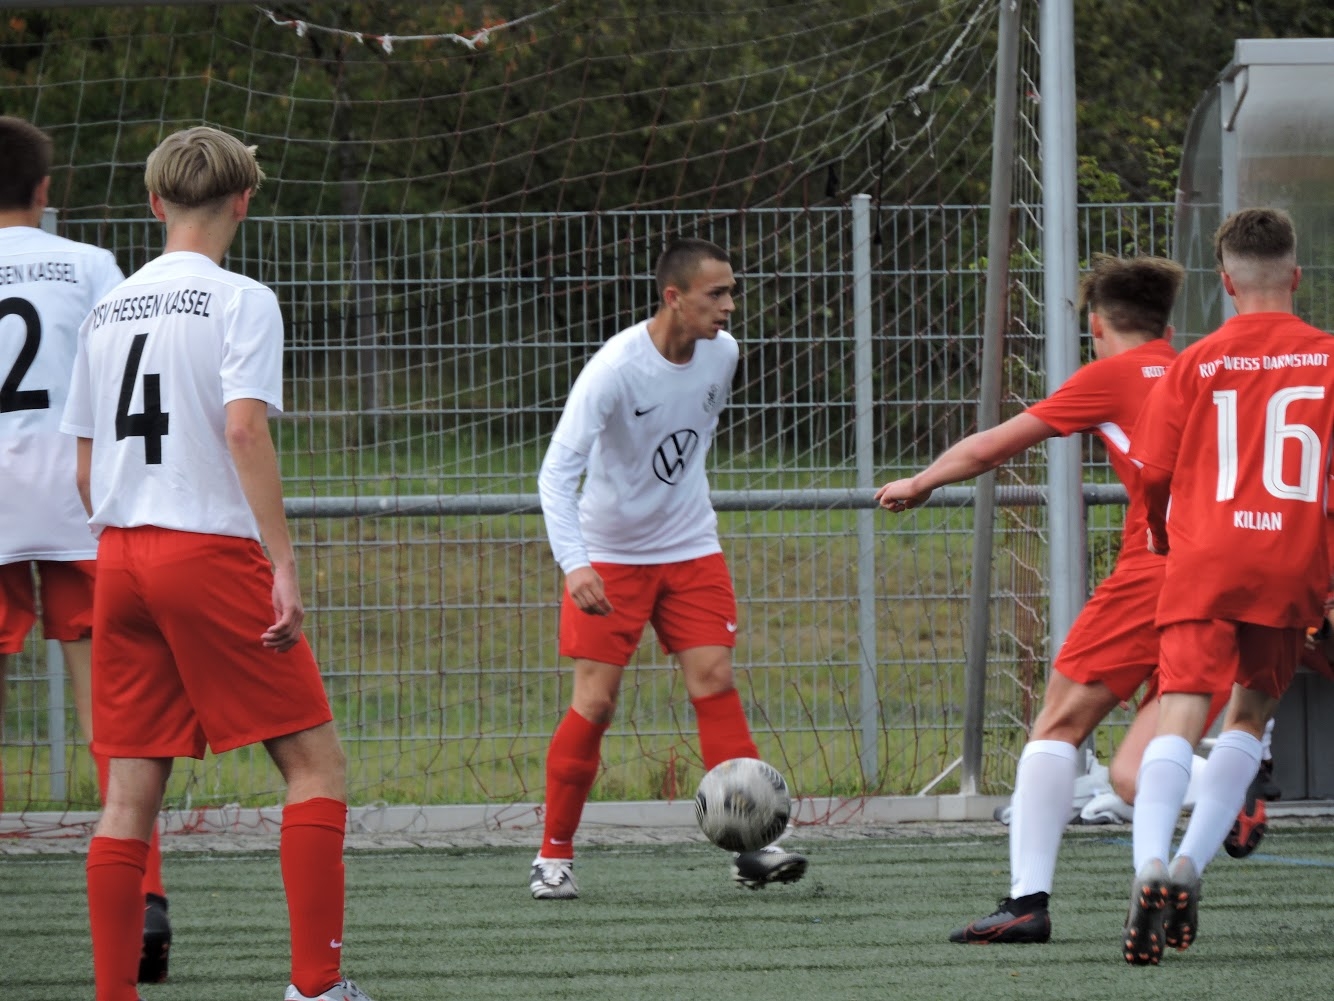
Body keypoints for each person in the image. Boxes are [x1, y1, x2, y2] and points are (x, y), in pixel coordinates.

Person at [58, 126, 376, 1001]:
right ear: (244, 200)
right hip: (208, 553)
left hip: (118, 557)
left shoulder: (105, 308)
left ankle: (113, 995)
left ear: (155, 204)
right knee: (315, 767)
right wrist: (282, 560)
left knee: (128, 795)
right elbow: (243, 429)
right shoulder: (242, 299)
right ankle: (317, 987)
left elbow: (84, 468)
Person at [877, 254, 1229, 943]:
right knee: (1135, 768)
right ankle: (1231, 790)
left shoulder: (1109, 375)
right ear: (1167, 322)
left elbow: (991, 447)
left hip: (1156, 567)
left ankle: (1026, 901)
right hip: (1227, 572)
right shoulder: (1200, 370)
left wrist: (922, 481)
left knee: (1059, 723)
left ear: (1095, 324)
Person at [530, 237, 808, 899]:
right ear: (673, 297)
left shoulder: (725, 354)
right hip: (610, 559)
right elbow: (554, 475)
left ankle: (751, 845)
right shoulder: (615, 369)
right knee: (595, 702)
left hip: (691, 548)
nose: (730, 306)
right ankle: (553, 855)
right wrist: (576, 564)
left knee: (715, 678)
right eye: (717, 294)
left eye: (732, 291)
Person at [1122, 206, 1334, 966]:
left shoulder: (1197, 361)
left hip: (1205, 556)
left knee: (1179, 707)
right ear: (1297, 276)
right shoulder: (1330, 358)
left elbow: (1152, 470)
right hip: (1290, 560)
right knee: (1251, 712)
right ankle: (1190, 868)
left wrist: (1155, 530)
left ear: (1225, 282)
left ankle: (1150, 860)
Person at [0, 115, 172, 983]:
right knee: (115, 715)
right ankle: (144, 902)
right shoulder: (92, 266)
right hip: (79, 497)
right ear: (43, 191)